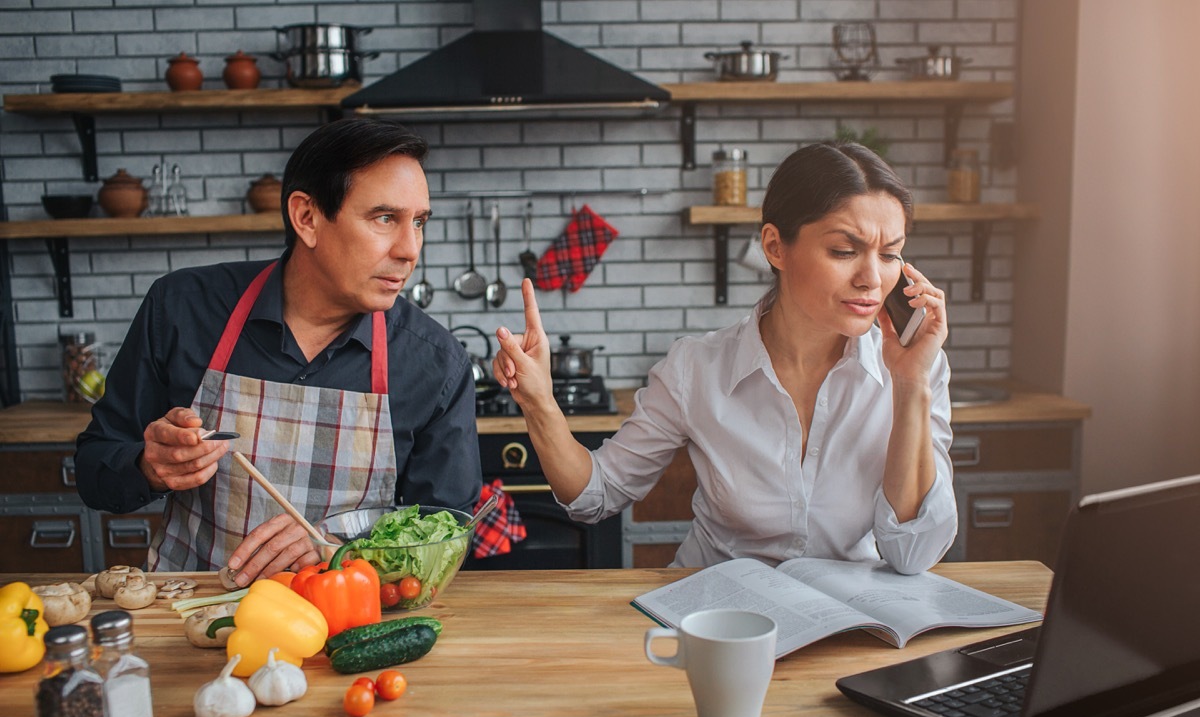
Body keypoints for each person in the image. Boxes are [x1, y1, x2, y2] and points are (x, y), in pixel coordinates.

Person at [493, 142, 955, 572]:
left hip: (846, 629)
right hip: (719, 625)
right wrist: (539, 402)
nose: (872, 279)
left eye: (891, 254)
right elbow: (596, 495)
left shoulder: (915, 366)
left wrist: (912, 383)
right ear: (775, 246)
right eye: (844, 250)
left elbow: (912, 554)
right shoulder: (695, 368)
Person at [76, 118, 482, 583]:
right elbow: (93, 471)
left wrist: (343, 548)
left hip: (347, 627)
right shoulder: (183, 309)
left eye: (419, 222)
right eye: (384, 218)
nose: (410, 249)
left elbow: (444, 535)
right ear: (306, 217)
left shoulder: (434, 362)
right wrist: (148, 467)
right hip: (187, 614)